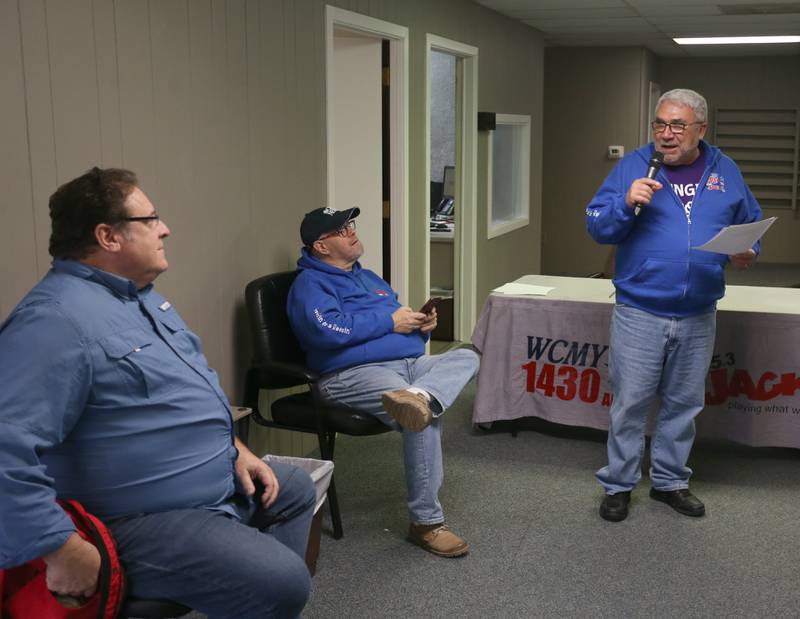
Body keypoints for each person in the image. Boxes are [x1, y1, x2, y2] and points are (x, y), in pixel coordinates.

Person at [0, 167, 316, 617]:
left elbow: (185, 394)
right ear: (109, 236)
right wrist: (60, 547)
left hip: (207, 487)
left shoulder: (140, 298)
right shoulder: (54, 322)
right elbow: (5, 448)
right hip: (137, 520)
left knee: (295, 488)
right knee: (283, 580)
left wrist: (236, 448)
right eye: (150, 220)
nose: (164, 228)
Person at [586, 89, 762, 522]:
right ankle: (619, 484)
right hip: (640, 310)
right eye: (660, 124)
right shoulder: (633, 165)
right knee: (630, 402)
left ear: (700, 129)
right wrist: (626, 204)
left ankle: (669, 482)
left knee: (683, 404)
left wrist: (749, 250)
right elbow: (597, 226)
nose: (666, 134)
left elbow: (750, 223)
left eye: (677, 126)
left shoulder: (726, 170)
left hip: (699, 311)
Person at [287, 207, 480, 557]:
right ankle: (426, 523)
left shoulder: (368, 276)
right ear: (321, 246)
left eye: (350, 225)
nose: (351, 231)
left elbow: (394, 318)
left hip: (408, 365)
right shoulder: (310, 285)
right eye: (340, 229)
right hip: (349, 374)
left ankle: (423, 395)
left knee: (467, 355)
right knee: (417, 418)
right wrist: (389, 323)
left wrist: (420, 323)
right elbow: (327, 329)